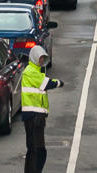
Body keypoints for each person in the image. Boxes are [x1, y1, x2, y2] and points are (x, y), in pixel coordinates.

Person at [21, 45, 63, 173]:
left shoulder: (34, 71)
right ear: (34, 58)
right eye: (40, 58)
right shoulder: (31, 72)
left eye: (43, 58)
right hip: (35, 117)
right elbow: (48, 83)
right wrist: (59, 82)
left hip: (34, 116)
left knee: (32, 149)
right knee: (39, 151)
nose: (41, 61)